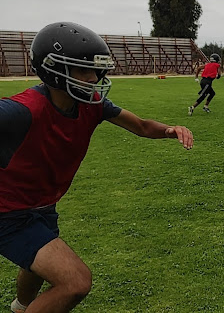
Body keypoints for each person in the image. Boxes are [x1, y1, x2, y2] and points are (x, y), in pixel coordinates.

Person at [0, 22, 194, 313]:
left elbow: (140, 126)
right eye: (82, 70)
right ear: (53, 70)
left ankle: (21, 307)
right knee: (75, 281)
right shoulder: (22, 110)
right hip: (8, 212)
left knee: (38, 266)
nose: (93, 78)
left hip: (41, 205)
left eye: (95, 69)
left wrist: (168, 130)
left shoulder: (92, 104)